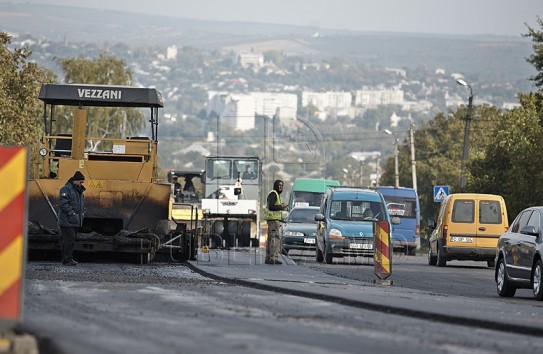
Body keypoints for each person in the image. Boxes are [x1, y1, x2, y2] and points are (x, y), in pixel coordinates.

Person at [58, 170, 86, 266]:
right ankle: (67, 259)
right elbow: (63, 203)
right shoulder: (66, 189)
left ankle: (68, 259)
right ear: (75, 180)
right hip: (67, 221)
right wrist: (72, 213)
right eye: (80, 182)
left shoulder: (79, 191)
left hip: (74, 221)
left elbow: (81, 205)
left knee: (70, 240)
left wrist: (82, 213)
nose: (81, 184)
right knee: (69, 240)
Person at [264, 179, 288, 264]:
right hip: (273, 221)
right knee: (275, 238)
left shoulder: (276, 194)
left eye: (282, 185)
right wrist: (281, 206)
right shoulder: (273, 194)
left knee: (271, 239)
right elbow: (271, 207)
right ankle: (273, 258)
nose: (281, 187)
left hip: (274, 220)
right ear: (276, 185)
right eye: (279, 185)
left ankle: (268, 257)